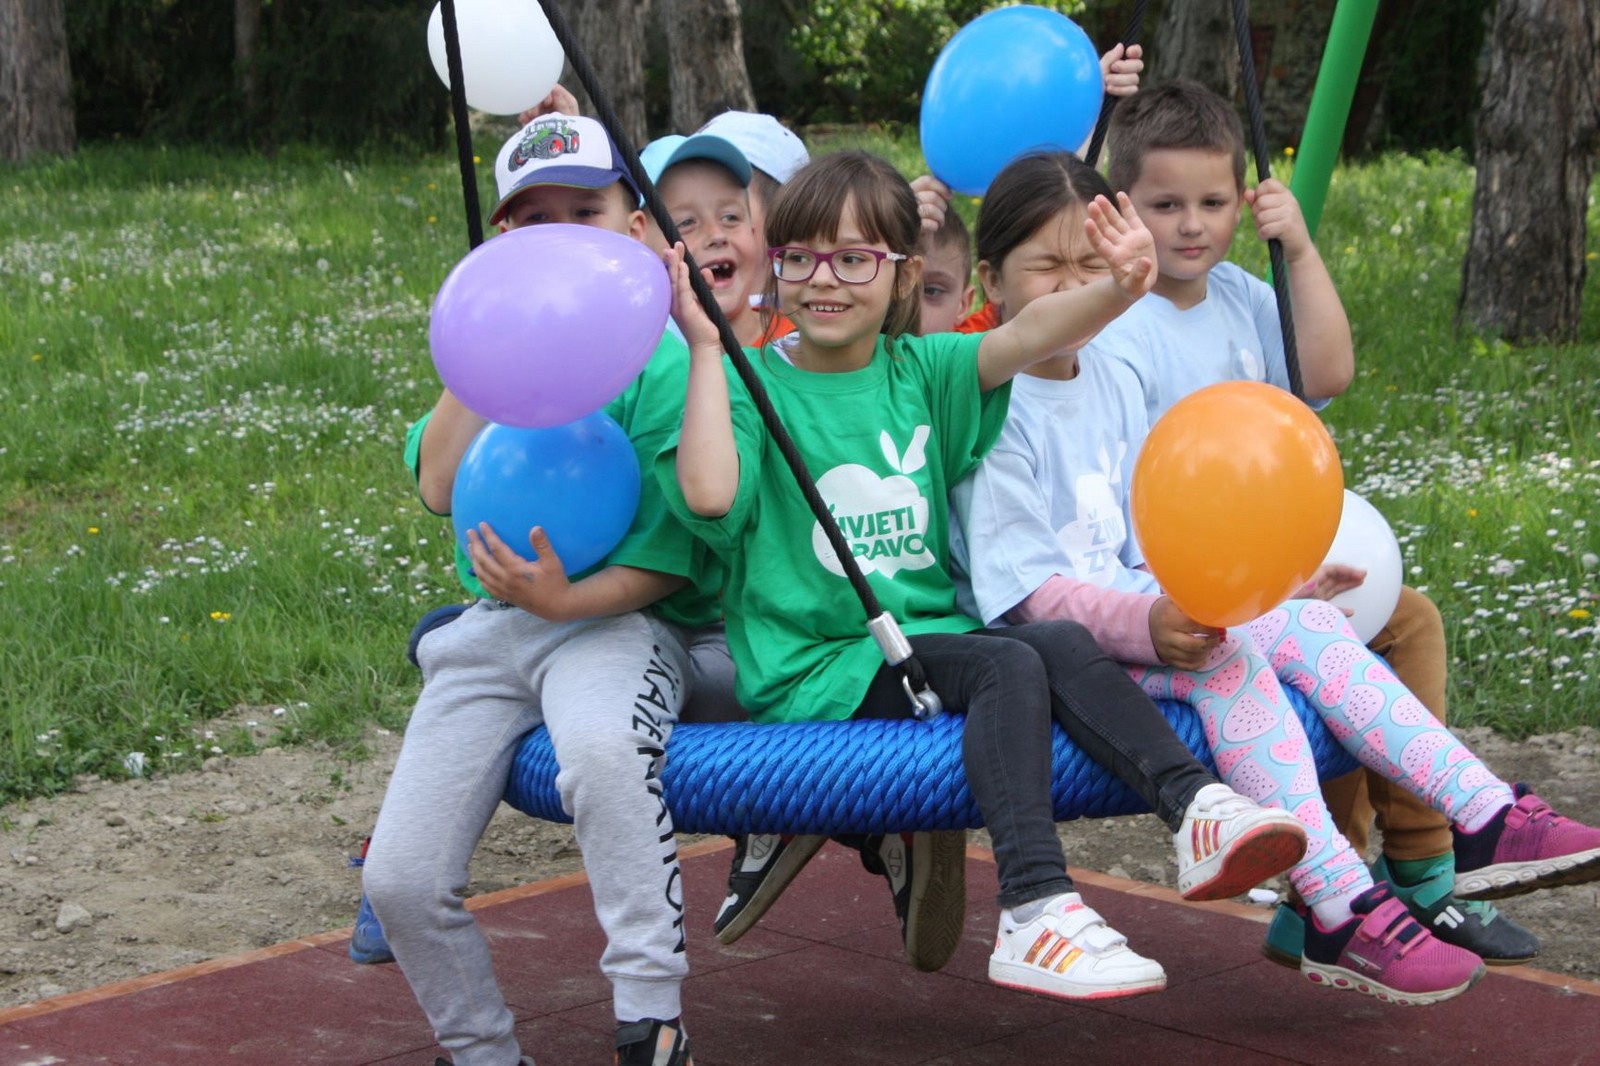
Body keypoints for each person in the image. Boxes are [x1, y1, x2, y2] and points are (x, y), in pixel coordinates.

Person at [948, 148, 1600, 1004]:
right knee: (1231, 667)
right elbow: (1029, 596)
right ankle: (1336, 902)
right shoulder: (986, 407)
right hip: (1058, 649)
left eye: (1092, 265)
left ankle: (1481, 816)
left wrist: (1262, 592)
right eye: (1048, 268)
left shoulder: (1107, 375)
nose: (1075, 287)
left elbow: (1151, 536)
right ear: (991, 280)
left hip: (1142, 610)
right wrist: (1159, 623)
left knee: (1315, 626)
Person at [655, 149, 1309, 1001]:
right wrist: (708, 346)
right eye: (802, 258)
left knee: (1056, 640)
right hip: (821, 665)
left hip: (923, 646)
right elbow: (707, 496)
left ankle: (1197, 810)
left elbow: (1032, 331)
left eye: (855, 259)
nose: (826, 280)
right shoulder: (748, 389)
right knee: (1009, 661)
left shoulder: (922, 372)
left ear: (901, 278)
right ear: (775, 271)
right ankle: (1035, 903)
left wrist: (1122, 286)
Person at [1092, 78, 1545, 967]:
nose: (1191, 224)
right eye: (1165, 204)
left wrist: (1295, 247)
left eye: (1214, 202)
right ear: (1122, 208)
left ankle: (1420, 872)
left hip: (1265, 556)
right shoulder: (1118, 324)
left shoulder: (1240, 295)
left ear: (1244, 203)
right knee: (1333, 640)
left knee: (1407, 619)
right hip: (1183, 581)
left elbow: (1327, 370)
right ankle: (1346, 888)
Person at [360, 113, 717, 1066]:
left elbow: (672, 559)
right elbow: (440, 485)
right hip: (491, 629)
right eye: (534, 218)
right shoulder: (487, 348)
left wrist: (566, 604)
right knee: (397, 879)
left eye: (585, 210)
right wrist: (485, 337)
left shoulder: (661, 360)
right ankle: (480, 1050)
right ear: (504, 239)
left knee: (605, 754)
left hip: (612, 625)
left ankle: (652, 1017)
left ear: (636, 226)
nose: (560, 231)